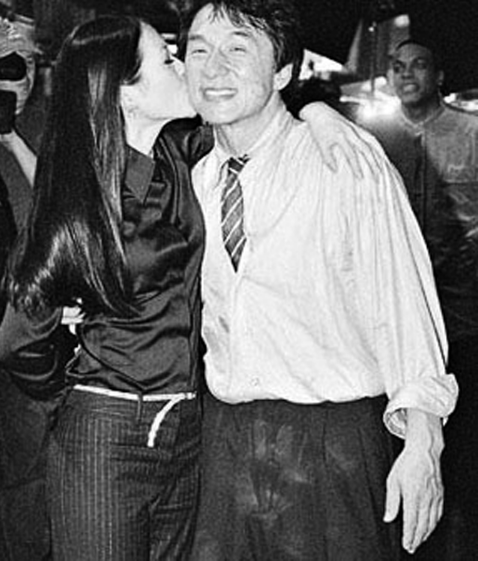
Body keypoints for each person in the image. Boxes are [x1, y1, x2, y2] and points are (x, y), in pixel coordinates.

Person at [178, 1, 459, 559]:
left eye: (237, 49)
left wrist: (424, 442)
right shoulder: (198, 178)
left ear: (283, 71)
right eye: (199, 50)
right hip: (224, 442)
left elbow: (401, 301)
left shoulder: (343, 161)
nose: (213, 68)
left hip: (332, 444)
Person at [0, 14, 210, 560]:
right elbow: (16, 342)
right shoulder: (78, 200)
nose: (183, 67)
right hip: (107, 435)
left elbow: (263, 123)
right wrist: (73, 389)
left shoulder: (182, 157)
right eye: (167, 59)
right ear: (125, 92)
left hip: (187, 427)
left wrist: (321, 115)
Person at [358, 38, 478, 560]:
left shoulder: (471, 132)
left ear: (439, 74)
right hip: (396, 324)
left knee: (463, 458)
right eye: (397, 66)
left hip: (463, 319)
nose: (407, 75)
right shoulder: (373, 137)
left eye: (419, 65)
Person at [0, 20, 62, 561]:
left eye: (27, 64)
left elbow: (61, 211)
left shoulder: (48, 128)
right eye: (3, 66)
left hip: (25, 320)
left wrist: (11, 137)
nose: (19, 76)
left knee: (29, 463)